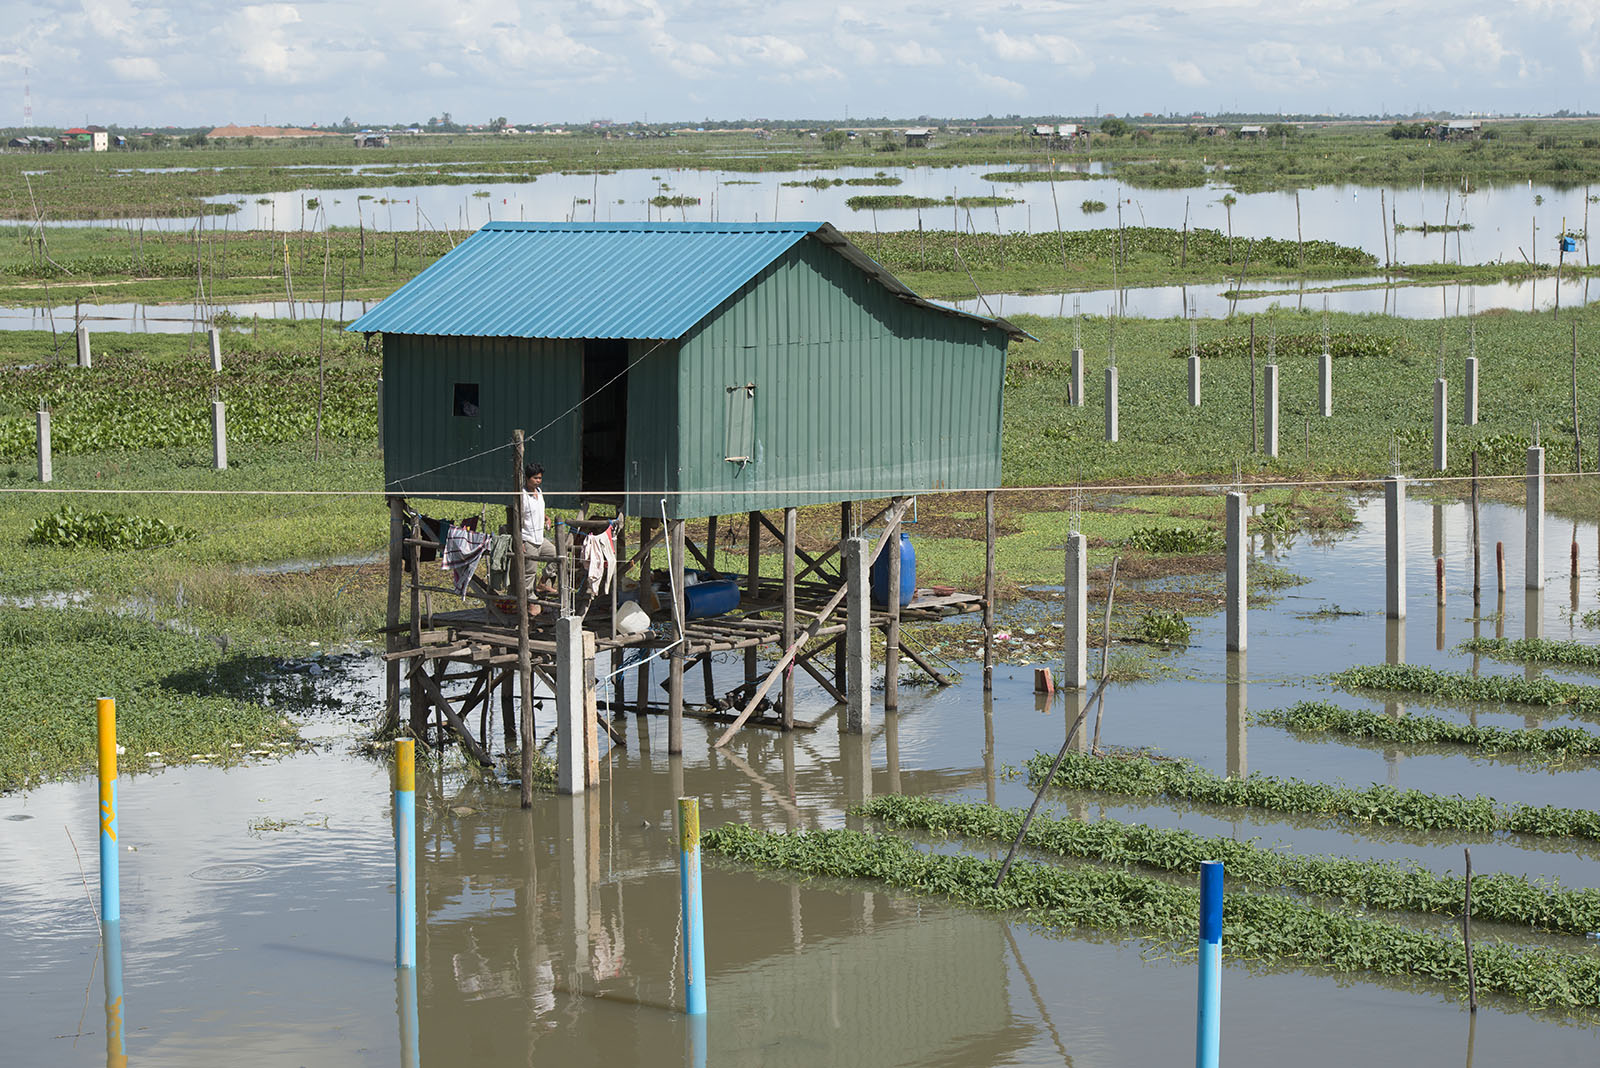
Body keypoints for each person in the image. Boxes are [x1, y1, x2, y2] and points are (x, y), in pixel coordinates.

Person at [521, 464, 557, 596]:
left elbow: (539, 510)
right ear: (527, 478)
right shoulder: (522, 495)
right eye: (535, 478)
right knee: (530, 572)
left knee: (556, 555)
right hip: (528, 539)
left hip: (540, 538)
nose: (538, 481)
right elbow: (516, 518)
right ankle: (528, 600)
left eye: (540, 478)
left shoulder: (539, 492)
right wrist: (520, 541)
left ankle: (543, 583)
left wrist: (546, 518)